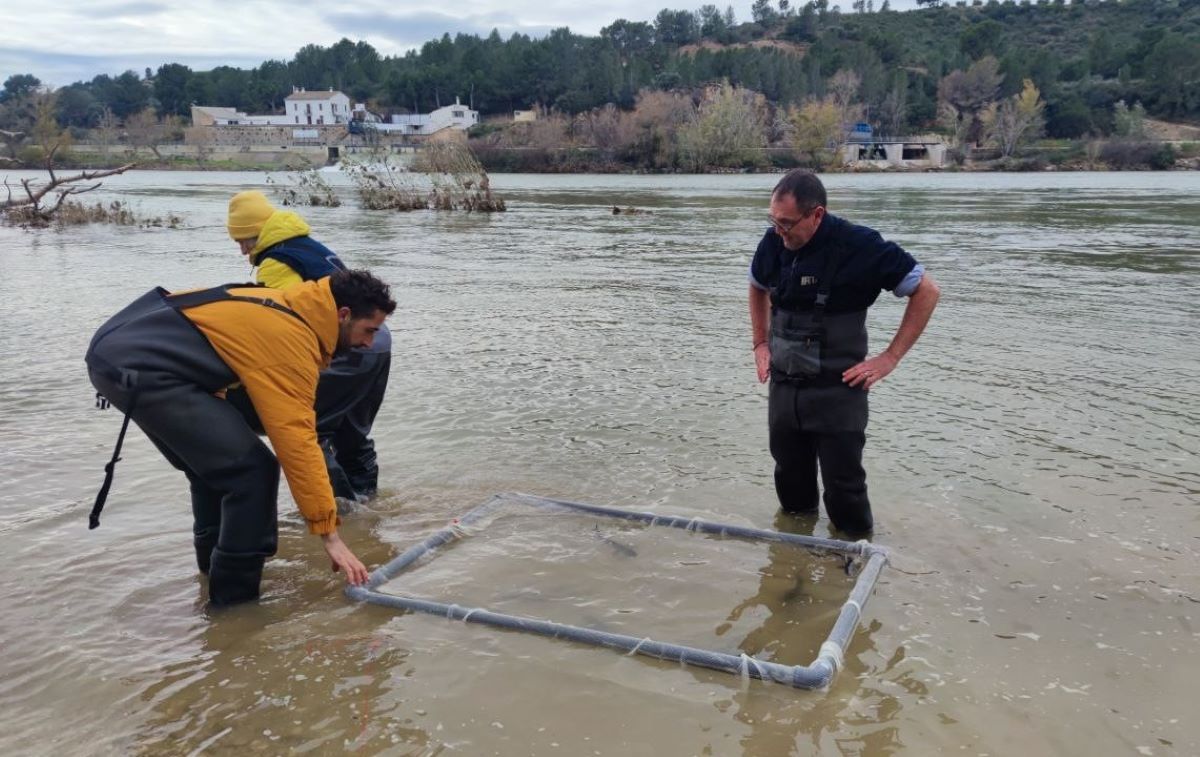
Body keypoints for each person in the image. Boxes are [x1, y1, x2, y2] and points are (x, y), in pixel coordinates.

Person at [85, 269, 396, 606]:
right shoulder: (289, 337)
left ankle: (212, 579)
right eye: (369, 331)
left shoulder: (288, 305)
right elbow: (297, 440)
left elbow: (210, 344)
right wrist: (329, 533)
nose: (369, 343)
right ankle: (234, 609)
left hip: (122, 354)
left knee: (213, 470)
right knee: (253, 472)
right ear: (343, 314)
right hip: (141, 367)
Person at [748, 169, 940, 534]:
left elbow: (927, 290)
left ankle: (850, 566)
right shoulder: (774, 242)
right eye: (774, 221)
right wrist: (759, 343)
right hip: (785, 386)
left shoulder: (860, 246)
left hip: (839, 389)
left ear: (816, 215)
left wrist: (890, 357)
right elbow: (756, 285)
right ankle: (794, 567)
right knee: (790, 484)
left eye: (787, 224)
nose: (778, 232)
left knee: (844, 490)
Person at [226, 190, 391, 504]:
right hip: (377, 340)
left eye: (243, 240)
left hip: (346, 346)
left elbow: (284, 323)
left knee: (312, 430)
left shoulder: (276, 261)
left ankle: (340, 515)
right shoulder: (307, 245)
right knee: (352, 434)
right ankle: (369, 505)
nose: (242, 249)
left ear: (257, 232)